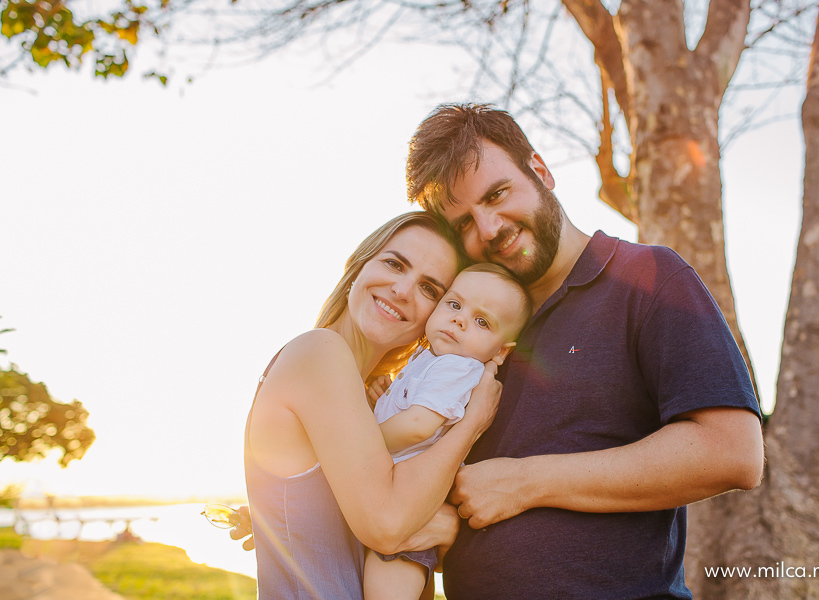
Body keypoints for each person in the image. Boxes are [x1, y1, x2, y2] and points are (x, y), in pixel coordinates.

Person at [405, 103, 765, 599]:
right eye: (464, 221)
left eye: (497, 194)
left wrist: (527, 481)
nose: (489, 229)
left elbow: (733, 452)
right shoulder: (463, 326)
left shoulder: (650, 278)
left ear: (540, 171)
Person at [242, 211, 503, 600]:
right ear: (359, 265)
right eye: (395, 264)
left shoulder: (365, 396)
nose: (402, 290)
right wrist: (471, 422)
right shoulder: (321, 352)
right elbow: (388, 525)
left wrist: (446, 527)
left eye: (430, 289)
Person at [364, 263, 532, 600]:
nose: (460, 320)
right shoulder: (429, 358)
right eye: (454, 305)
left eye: (482, 322)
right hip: (390, 498)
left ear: (501, 351)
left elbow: (417, 426)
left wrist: (355, 437)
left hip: (411, 511)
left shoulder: (458, 367)